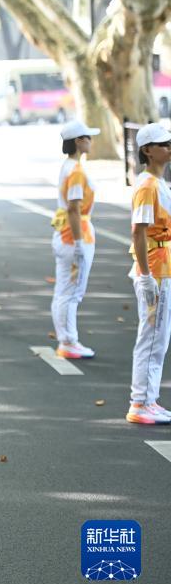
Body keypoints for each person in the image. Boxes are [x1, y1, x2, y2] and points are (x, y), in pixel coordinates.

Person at [127, 123, 171, 425]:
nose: (169, 148)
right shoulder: (147, 186)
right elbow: (139, 232)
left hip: (161, 265)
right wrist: (145, 276)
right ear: (147, 150)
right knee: (153, 337)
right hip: (154, 268)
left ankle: (147, 400)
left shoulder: (157, 182)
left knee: (158, 337)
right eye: (163, 144)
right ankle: (141, 402)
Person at [50, 120, 99, 359]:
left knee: (63, 291)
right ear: (79, 141)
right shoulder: (76, 171)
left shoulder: (68, 166)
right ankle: (69, 341)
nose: (91, 141)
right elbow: (74, 208)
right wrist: (79, 244)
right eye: (88, 137)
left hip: (65, 234)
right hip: (74, 236)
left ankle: (67, 339)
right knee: (72, 293)